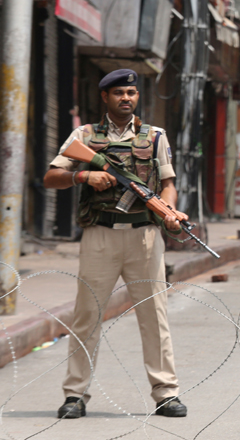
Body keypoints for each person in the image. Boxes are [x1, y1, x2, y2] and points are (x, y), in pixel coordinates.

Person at [43, 69, 189, 419]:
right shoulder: (84, 135)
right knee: (87, 316)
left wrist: (168, 210)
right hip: (100, 236)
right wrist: (84, 175)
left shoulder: (155, 136)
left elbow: (168, 182)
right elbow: (51, 177)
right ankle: (75, 395)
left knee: (155, 318)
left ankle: (166, 393)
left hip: (144, 236)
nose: (127, 98)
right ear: (105, 97)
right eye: (120, 93)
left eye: (132, 93)